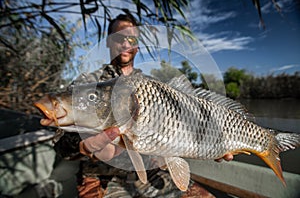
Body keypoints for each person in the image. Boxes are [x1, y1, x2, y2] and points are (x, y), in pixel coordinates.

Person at [54, 14, 233, 197]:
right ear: (108, 42)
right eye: (118, 37)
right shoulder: (87, 83)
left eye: (131, 39)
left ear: (137, 45)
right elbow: (60, 146)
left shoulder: (153, 86)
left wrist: (209, 143)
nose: (125, 44)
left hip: (150, 173)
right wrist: (84, 146)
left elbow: (178, 131)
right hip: (99, 178)